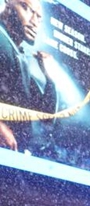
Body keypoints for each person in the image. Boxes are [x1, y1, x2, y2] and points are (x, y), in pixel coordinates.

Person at [0, 0, 57, 151]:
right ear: (8, 2)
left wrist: (50, 79)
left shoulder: (18, 55)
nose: (34, 23)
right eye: (27, 9)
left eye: (39, 18)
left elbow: (45, 117)